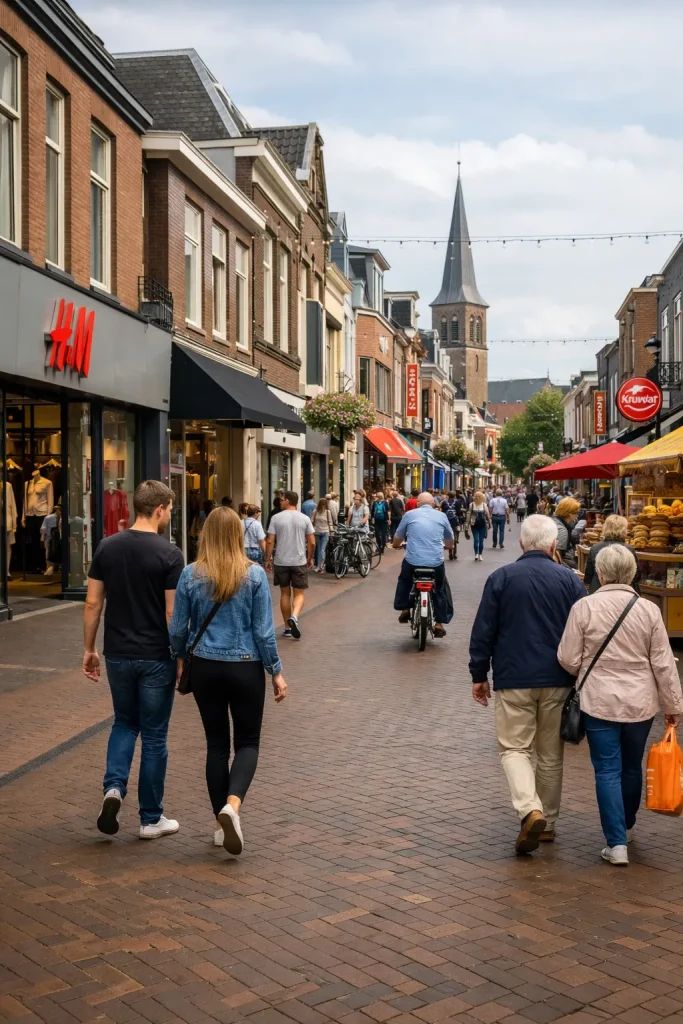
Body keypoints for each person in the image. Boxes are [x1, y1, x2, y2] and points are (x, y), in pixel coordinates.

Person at [169, 507, 287, 856]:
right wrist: (276, 671)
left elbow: (177, 628)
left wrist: (179, 657)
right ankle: (232, 807)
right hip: (246, 667)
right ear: (238, 534)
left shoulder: (190, 575)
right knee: (247, 743)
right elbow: (264, 633)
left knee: (217, 746)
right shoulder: (253, 576)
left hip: (205, 667)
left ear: (205, 535)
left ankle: (221, 825)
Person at [558, 545, 683, 866]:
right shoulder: (649, 610)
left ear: (599, 573)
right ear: (633, 573)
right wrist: (673, 705)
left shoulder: (584, 608)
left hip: (599, 702)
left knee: (607, 769)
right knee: (631, 765)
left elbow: (569, 659)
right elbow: (664, 663)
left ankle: (616, 843)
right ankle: (625, 823)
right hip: (641, 704)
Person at [469, 515, 587, 854]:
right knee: (551, 753)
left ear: (521, 543)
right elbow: (584, 630)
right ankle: (547, 822)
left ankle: (528, 808)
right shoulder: (570, 580)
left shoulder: (502, 577)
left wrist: (479, 674)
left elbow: (484, 631)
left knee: (514, 749)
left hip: (513, 677)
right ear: (553, 546)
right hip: (559, 679)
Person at [83, 480, 185, 840]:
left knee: (124, 723)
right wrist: (180, 655)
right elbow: (173, 614)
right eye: (170, 508)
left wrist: (89, 648)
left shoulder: (107, 547)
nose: (170, 514)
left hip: (118, 653)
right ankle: (151, 818)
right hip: (156, 655)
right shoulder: (171, 555)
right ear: (159, 509)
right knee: (155, 736)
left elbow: (94, 603)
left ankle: (113, 789)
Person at [392, 492, 454, 638]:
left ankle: (405, 608)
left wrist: (395, 545)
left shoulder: (410, 515)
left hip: (413, 561)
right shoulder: (442, 516)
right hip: (435, 562)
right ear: (433, 504)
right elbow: (450, 539)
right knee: (439, 589)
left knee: (405, 580)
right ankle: (439, 623)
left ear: (418, 504)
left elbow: (398, 536)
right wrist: (448, 547)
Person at [265, 491, 315, 640]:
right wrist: (309, 558)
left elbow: (269, 541)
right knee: (299, 593)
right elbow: (312, 542)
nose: (280, 502)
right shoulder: (304, 518)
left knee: (284, 593)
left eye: (281, 500)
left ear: (287, 501)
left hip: (281, 561)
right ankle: (294, 616)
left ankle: (287, 628)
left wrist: (267, 559)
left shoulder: (276, 518)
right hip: (299, 560)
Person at [583, 514, 641, 595]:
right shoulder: (629, 549)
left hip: (598, 592)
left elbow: (588, 577)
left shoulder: (595, 548)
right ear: (624, 529)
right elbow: (636, 576)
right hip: (623, 594)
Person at [552, 497, 581, 568]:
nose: (577, 516)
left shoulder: (554, 521)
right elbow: (557, 557)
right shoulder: (562, 530)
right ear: (570, 514)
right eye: (576, 513)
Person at [465, 490, 491, 562]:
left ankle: (480, 554)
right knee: (476, 540)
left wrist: (489, 522)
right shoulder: (472, 505)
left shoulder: (484, 505)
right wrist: (467, 524)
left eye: (479, 496)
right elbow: (469, 515)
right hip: (474, 524)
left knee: (481, 540)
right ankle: (476, 553)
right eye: (477, 496)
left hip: (482, 525)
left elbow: (487, 515)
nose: (478, 498)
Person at [311, 498, 333, 571]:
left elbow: (330, 522)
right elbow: (312, 521)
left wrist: (331, 532)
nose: (323, 506)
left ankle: (321, 566)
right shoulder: (315, 511)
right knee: (319, 549)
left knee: (322, 549)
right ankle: (318, 566)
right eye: (322, 504)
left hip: (325, 532)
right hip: (317, 532)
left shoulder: (328, 512)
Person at [441, 491, 462, 561]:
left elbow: (442, 512)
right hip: (455, 521)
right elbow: (459, 512)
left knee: (448, 537)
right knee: (455, 536)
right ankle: (454, 553)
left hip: (446, 521)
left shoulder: (444, 502)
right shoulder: (457, 502)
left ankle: (450, 552)